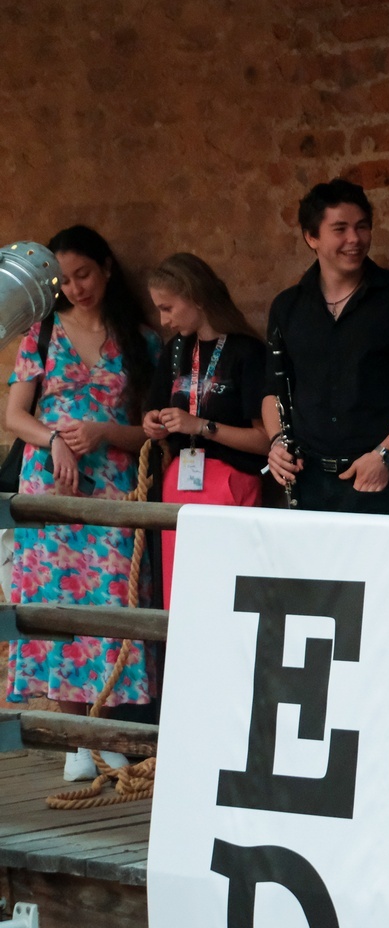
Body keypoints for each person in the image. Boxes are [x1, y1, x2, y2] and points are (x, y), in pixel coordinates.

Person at [4, 226, 159, 780]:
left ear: (107, 268)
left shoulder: (142, 341)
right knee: (56, 604)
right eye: (64, 281)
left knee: (112, 603)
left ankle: (105, 732)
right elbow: (14, 416)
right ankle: (75, 740)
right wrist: (53, 440)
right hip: (51, 489)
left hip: (114, 488)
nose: (75, 288)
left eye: (84, 274)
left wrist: (102, 432)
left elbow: (148, 433)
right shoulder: (41, 333)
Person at [263, 179, 389, 514]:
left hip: (376, 474)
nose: (355, 239)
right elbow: (272, 390)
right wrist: (277, 443)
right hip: (307, 477)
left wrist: (386, 454)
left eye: (362, 227)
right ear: (311, 237)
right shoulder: (287, 306)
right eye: (340, 229)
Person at [143, 254, 271, 607]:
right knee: (179, 591)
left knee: (224, 593)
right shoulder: (174, 350)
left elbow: (266, 441)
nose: (163, 320)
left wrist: (202, 426)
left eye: (167, 308)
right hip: (180, 479)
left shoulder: (247, 352)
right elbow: (153, 410)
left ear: (196, 297)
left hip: (231, 479)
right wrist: (153, 422)